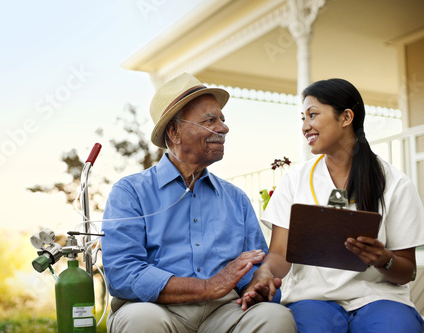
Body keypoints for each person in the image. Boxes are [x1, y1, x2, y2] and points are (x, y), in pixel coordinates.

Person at [101, 72, 296, 333]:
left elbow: (255, 269)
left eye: (223, 120)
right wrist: (207, 286)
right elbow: (123, 273)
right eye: (210, 120)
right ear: (175, 132)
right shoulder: (130, 192)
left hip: (224, 311)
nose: (223, 128)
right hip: (158, 310)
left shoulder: (236, 199)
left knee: (275, 317)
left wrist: (257, 287)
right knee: (139, 319)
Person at [238, 78, 424, 332]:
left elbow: (407, 271)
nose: (305, 127)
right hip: (312, 299)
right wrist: (266, 272)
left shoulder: (396, 184)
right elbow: (280, 254)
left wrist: (383, 259)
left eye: (312, 115)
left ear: (346, 117)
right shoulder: (295, 181)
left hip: (379, 298)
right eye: (302, 118)